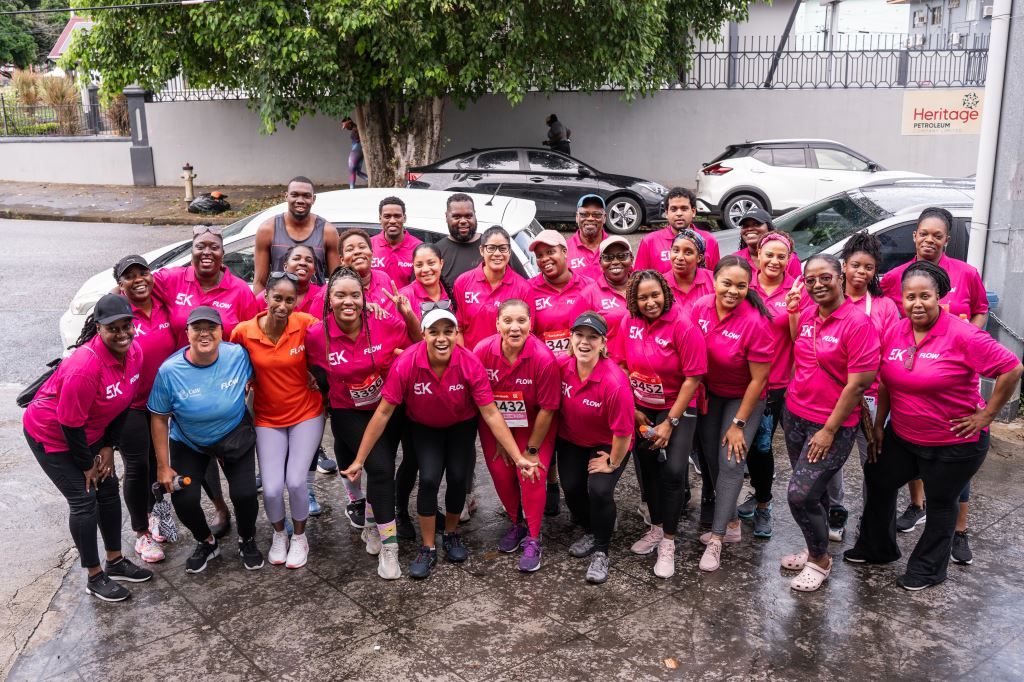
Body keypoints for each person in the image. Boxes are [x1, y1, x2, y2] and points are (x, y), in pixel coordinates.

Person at [845, 261, 1022, 591]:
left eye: (924, 296)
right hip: (905, 434)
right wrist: (882, 422)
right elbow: (885, 380)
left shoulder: (963, 334)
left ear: (939, 296)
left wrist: (987, 416)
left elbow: (1011, 369)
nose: (917, 303)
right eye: (910, 297)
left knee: (941, 502)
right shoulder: (896, 330)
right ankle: (877, 548)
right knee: (879, 476)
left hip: (953, 441)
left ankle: (928, 570)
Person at [343, 308, 538, 579]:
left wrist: (518, 458)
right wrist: (360, 459)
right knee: (431, 478)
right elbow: (383, 412)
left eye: (448, 331)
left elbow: (491, 412)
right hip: (424, 427)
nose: (441, 338)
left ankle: (451, 533)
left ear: (457, 334)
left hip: (460, 426)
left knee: (458, 477)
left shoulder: (469, 363)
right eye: (434, 332)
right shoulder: (408, 362)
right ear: (423, 334)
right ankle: (428, 547)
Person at [23, 295, 153, 602]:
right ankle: (95, 577)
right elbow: (69, 424)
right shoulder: (85, 366)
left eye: (127, 326)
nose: (122, 334)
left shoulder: (134, 353)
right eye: (113, 329)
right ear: (98, 328)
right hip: (52, 434)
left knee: (108, 490)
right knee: (84, 499)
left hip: (91, 431)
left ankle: (116, 560)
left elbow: (123, 404)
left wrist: (108, 446)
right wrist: (86, 465)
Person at [879, 208, 989, 536]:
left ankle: (959, 531)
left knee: (955, 452)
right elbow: (887, 316)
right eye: (923, 233)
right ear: (914, 235)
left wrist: (970, 342)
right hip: (911, 375)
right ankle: (916, 506)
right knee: (911, 440)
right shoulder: (895, 276)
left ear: (947, 240)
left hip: (954, 378)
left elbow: (981, 310)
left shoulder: (966, 273)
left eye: (937, 235)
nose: (929, 240)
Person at [780, 254, 879, 592]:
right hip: (795, 415)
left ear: (840, 277)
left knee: (799, 495)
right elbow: (801, 352)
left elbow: (858, 385)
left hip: (831, 426)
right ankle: (813, 547)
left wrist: (829, 429)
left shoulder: (857, 323)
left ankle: (821, 560)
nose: (818, 284)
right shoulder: (808, 314)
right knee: (814, 494)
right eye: (810, 280)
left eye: (825, 277)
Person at [151, 224, 256, 537]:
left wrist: (250, 378)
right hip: (182, 381)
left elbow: (250, 336)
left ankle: (240, 522)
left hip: (226, 376)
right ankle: (218, 513)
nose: (206, 252)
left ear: (223, 255)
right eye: (200, 246)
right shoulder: (172, 279)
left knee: (232, 458)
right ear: (191, 251)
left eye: (214, 247)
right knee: (197, 453)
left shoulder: (239, 290)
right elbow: (134, 284)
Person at [307, 267, 411, 579]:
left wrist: (407, 314)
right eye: (340, 295)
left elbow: (417, 344)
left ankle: (371, 524)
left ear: (364, 298)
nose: (347, 301)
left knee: (381, 473)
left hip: (388, 409)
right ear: (329, 300)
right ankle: (390, 548)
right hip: (347, 412)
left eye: (355, 295)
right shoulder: (316, 335)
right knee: (379, 469)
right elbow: (305, 367)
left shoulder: (382, 322)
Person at [148, 307, 264, 574]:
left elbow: (264, 371)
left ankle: (247, 539)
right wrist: (163, 466)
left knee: (245, 494)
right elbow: (158, 418)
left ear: (221, 332)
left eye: (211, 328)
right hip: (190, 441)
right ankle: (206, 541)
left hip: (235, 434)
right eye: (197, 328)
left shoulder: (237, 355)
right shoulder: (169, 371)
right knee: (185, 500)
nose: (204, 333)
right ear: (186, 333)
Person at [613, 271, 706, 579]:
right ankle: (655, 527)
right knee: (648, 469)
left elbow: (693, 377)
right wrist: (634, 407)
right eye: (642, 297)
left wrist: (670, 422)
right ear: (633, 301)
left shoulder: (682, 324)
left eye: (655, 295)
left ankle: (669, 541)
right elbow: (622, 364)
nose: (650, 302)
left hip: (677, 407)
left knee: (674, 472)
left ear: (665, 292)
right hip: (642, 408)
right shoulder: (630, 322)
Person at [230, 273, 324, 569]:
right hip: (267, 417)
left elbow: (334, 339)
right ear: (266, 297)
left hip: (306, 412)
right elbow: (232, 362)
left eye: (289, 299)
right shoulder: (244, 331)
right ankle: (279, 534)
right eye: (277, 298)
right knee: (271, 488)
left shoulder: (306, 324)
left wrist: (316, 373)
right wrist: (245, 381)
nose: (283, 305)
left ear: (296, 301)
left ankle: (299, 536)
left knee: (295, 481)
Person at [690, 256, 774, 572]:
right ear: (714, 281)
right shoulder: (700, 307)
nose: (733, 291)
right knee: (710, 458)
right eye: (727, 283)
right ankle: (734, 521)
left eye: (741, 286)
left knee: (730, 462)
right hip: (710, 394)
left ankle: (717, 538)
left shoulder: (755, 321)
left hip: (743, 399)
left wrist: (739, 423)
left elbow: (759, 379)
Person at [824, 231, 901, 542]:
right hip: (832, 395)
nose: (861, 273)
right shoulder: (828, 297)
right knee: (830, 459)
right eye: (856, 265)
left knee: (874, 460)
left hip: (870, 398)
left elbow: (893, 352)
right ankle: (836, 511)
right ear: (844, 265)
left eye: (868, 268)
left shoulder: (885, 307)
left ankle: (873, 522)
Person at [474, 299, 561, 572]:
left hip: (534, 425)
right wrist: (504, 443)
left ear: (530, 324)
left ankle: (534, 537)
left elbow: (548, 410)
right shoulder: (482, 351)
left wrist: (531, 451)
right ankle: (517, 523)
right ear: (497, 324)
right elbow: (485, 405)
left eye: (521, 321)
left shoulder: (543, 359)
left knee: (531, 474)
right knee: (501, 473)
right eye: (508, 321)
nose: (515, 327)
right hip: (495, 425)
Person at [557, 312, 635, 584]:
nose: (584, 342)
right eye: (579, 335)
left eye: (592, 337)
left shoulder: (614, 382)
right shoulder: (561, 368)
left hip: (609, 442)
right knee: (572, 489)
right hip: (572, 440)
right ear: (571, 338)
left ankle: (602, 550)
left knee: (600, 490)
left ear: (603, 343)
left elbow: (624, 433)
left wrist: (612, 463)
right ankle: (591, 528)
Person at [113, 256, 179, 564]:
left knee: (159, 463)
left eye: (143, 273)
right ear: (120, 285)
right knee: (138, 467)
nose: (139, 279)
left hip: (165, 403)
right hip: (133, 405)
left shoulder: (164, 304)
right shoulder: (122, 314)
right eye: (130, 276)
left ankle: (157, 515)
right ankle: (142, 534)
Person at [737, 232, 799, 539]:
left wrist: (794, 311)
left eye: (781, 256)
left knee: (761, 448)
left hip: (774, 385)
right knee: (741, 446)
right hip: (739, 381)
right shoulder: (744, 286)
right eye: (769, 255)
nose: (774, 261)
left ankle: (763, 504)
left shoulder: (796, 290)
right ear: (758, 256)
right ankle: (748, 495)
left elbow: (799, 338)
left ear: (789, 259)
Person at [252, 177, 341, 293]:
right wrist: (260, 310)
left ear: (313, 199)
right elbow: (260, 282)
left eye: (306, 196)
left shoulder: (328, 232)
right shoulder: (268, 229)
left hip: (315, 306)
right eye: (294, 195)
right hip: (280, 306)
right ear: (286, 196)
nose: (300, 200)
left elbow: (337, 281)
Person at [453, 225, 532, 352]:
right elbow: (458, 329)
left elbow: (527, 333)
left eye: (503, 248)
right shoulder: (462, 283)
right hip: (472, 362)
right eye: (491, 248)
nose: (497, 254)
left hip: (507, 363)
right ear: (481, 250)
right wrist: (468, 361)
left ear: (509, 251)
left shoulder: (523, 288)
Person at [435, 194, 527, 290]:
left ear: (475, 215)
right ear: (446, 217)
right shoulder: (437, 253)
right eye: (456, 217)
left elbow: (524, 286)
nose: (463, 221)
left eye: (468, 216)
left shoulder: (496, 246)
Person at [527, 229, 593, 358]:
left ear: (565, 252)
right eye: (539, 255)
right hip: (544, 365)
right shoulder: (527, 289)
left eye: (550, 252)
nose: (545, 259)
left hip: (580, 365)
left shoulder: (589, 287)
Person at [309, 229, 396, 314]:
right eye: (350, 249)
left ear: (372, 253)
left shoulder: (384, 278)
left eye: (362, 247)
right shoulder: (327, 292)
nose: (357, 252)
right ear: (342, 260)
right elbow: (317, 325)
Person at [635, 187, 721, 274]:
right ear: (666, 213)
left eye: (684, 209)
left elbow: (716, 279)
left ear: (693, 211)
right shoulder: (649, 241)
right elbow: (638, 279)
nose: (679, 213)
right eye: (673, 209)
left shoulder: (709, 240)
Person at [578, 236, 634, 351]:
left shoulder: (643, 288)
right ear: (600, 262)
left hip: (642, 365)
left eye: (622, 256)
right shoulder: (588, 295)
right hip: (608, 364)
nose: (615, 262)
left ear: (631, 258)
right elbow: (577, 337)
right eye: (608, 258)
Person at [391, 242, 453, 342]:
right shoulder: (403, 298)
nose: (425, 269)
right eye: (419, 265)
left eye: (431, 263)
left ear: (441, 264)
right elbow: (393, 344)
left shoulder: (450, 295)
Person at [733, 207, 802, 279]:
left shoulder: (790, 259)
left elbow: (798, 287)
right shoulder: (734, 259)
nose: (750, 229)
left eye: (756, 224)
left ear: (769, 229)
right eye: (746, 226)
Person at [257, 244, 324, 316]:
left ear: (314, 270)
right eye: (296, 259)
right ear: (285, 266)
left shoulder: (323, 296)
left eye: (309, 260)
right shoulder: (265, 297)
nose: (303, 263)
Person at [370, 196, 422, 287]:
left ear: (404, 218)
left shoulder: (419, 248)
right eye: (387, 216)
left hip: (408, 301)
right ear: (380, 219)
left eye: (397, 216)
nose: (392, 221)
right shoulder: (368, 246)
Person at [666, 229, 716, 312]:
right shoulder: (660, 283)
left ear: (699, 258)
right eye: (676, 251)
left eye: (688, 253)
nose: (679, 257)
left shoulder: (714, 281)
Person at [567, 194, 607, 279]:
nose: (590, 218)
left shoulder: (616, 246)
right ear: (577, 217)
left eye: (597, 215)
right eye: (584, 214)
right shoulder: (565, 249)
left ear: (604, 218)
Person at [342, 116, 368, 189]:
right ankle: (370, 180)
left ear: (350, 123)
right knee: (358, 172)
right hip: (358, 150)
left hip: (357, 150)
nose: (346, 128)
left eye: (346, 126)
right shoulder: (355, 129)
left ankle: (351, 188)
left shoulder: (356, 129)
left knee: (352, 168)